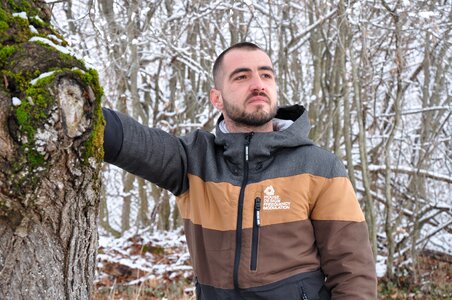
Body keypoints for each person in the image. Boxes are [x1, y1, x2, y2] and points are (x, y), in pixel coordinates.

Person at [103, 42, 377, 299]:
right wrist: (82, 110)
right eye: (241, 77)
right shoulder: (194, 161)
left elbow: (353, 269)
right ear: (217, 98)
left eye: (266, 76)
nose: (258, 85)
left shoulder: (319, 167)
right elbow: (134, 143)